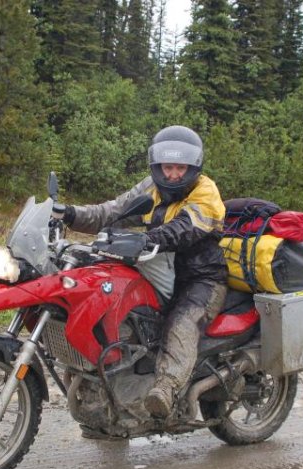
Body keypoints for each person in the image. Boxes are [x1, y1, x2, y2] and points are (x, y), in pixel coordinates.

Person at [55, 125, 228, 418]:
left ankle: (166, 390)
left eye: (180, 168)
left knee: (181, 324)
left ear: (193, 167)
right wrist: (69, 213)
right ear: (157, 166)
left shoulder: (205, 191)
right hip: (159, 271)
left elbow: (183, 229)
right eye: (168, 167)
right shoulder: (152, 187)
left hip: (201, 278)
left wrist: (148, 239)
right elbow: (111, 212)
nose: (173, 174)